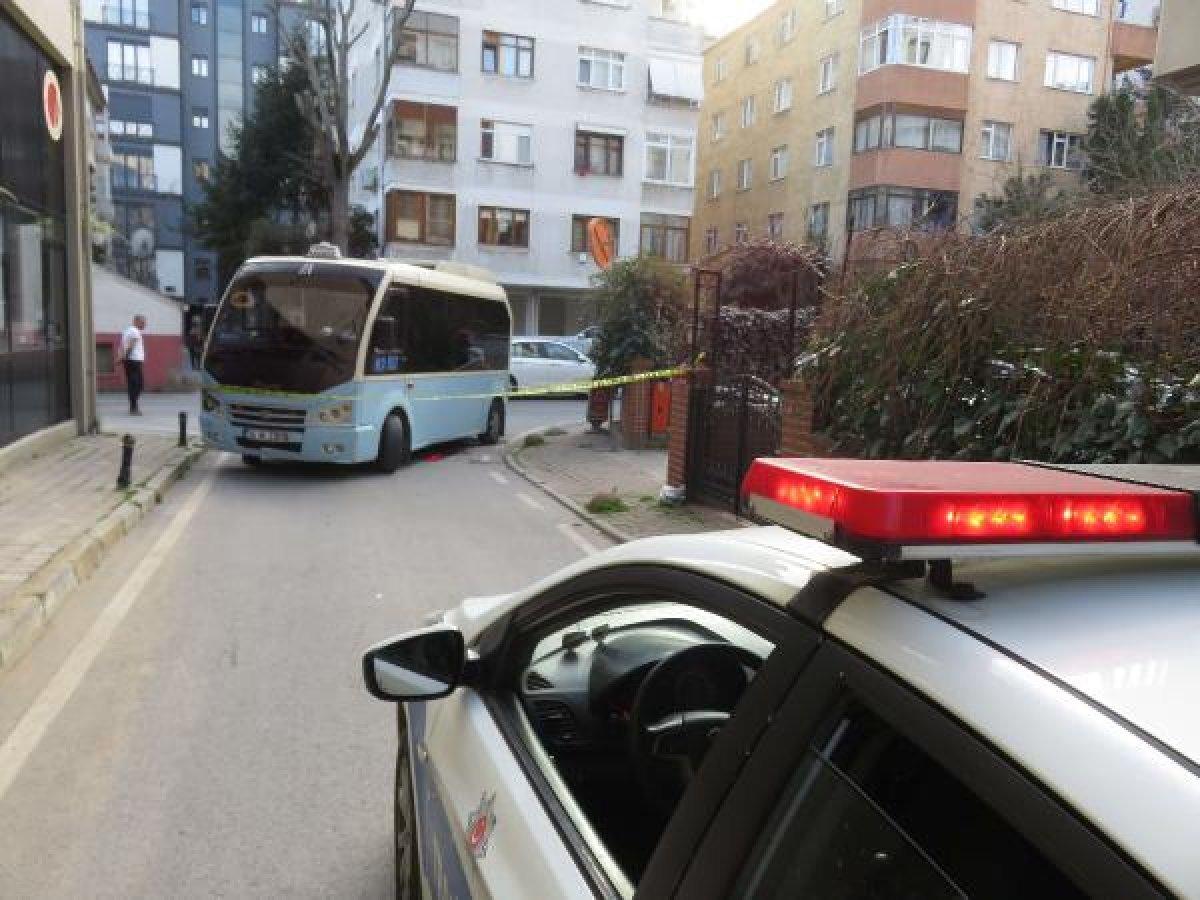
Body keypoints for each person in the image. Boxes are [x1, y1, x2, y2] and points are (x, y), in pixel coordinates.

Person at [119, 314, 147, 415]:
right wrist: (125, 356)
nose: (145, 325)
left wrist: (121, 357)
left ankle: (133, 407)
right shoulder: (134, 331)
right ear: (136, 321)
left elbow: (122, 346)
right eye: (143, 323)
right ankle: (133, 407)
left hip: (130, 361)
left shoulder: (127, 331)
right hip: (133, 361)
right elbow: (130, 345)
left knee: (132, 384)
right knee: (138, 385)